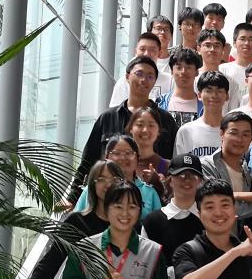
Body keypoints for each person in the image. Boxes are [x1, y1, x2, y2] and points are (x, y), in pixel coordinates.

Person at [69, 54, 177, 204]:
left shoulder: (166, 119)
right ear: (127, 76)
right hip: (107, 197)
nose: (143, 80)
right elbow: (88, 160)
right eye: (139, 74)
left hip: (152, 200)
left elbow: (173, 163)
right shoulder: (107, 117)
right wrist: (72, 197)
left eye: (150, 76)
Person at [200, 111, 252, 235]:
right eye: (234, 133)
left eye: (245, 134)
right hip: (212, 238)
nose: (239, 139)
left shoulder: (245, 169)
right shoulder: (207, 165)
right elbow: (220, 206)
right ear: (222, 134)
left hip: (236, 239)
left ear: (251, 139)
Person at [75, 135, 162, 218]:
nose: (123, 158)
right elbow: (77, 221)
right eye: (116, 153)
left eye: (129, 153)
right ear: (107, 157)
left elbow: (159, 224)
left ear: (137, 158)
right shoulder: (95, 189)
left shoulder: (149, 193)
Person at [142, 154, 206, 269]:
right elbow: (145, 264)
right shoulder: (152, 221)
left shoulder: (209, 218)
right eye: (181, 175)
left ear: (200, 181)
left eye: (193, 175)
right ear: (170, 180)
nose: (187, 180)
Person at [173, 72, 229, 159]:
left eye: (219, 91)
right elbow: (179, 165)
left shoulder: (233, 131)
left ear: (227, 96)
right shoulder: (186, 131)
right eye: (208, 91)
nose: (214, 95)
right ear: (199, 95)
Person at [109, 32, 170, 107]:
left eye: (152, 50)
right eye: (142, 49)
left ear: (159, 53)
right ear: (136, 51)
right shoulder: (124, 81)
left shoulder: (169, 80)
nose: (146, 54)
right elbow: (116, 110)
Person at [128, 105, 169, 203]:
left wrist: (158, 183)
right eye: (140, 125)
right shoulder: (122, 163)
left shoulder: (167, 166)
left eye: (151, 125)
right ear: (130, 129)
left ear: (158, 131)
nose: (145, 130)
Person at [157, 47, 203, 129]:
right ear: (172, 71)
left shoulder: (204, 106)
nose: (183, 72)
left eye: (188, 67)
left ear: (196, 72)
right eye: (179, 68)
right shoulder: (159, 103)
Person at [198, 29, 241, 111]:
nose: (212, 49)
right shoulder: (191, 79)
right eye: (207, 45)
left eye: (217, 46)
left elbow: (233, 113)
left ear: (223, 50)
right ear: (199, 49)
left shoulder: (231, 82)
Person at [220, 22, 252, 88]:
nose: (246, 43)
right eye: (242, 39)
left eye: (251, 39)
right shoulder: (223, 69)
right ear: (234, 43)